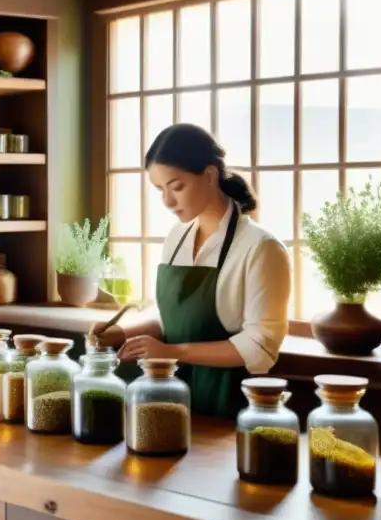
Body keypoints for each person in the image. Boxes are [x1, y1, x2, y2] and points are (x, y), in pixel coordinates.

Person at [92, 123, 291, 418]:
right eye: (160, 190)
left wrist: (172, 352)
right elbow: (176, 320)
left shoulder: (261, 248)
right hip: (169, 400)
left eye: (177, 186)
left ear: (209, 176)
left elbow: (258, 347)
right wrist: (119, 334)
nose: (167, 201)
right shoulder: (176, 237)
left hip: (226, 408)